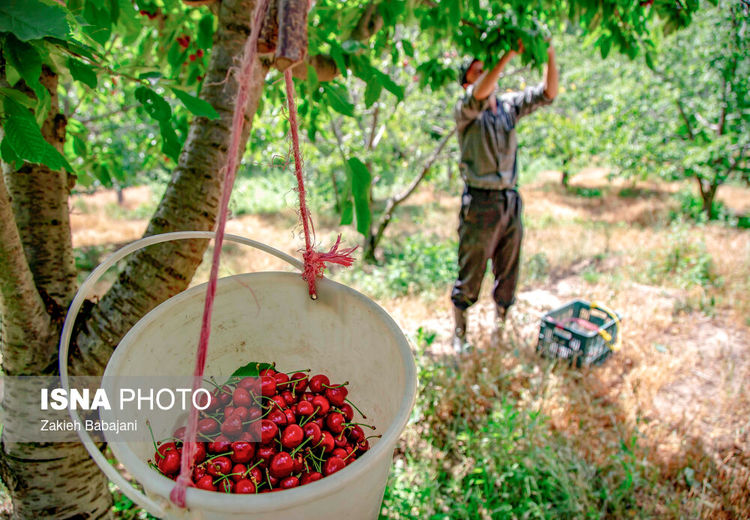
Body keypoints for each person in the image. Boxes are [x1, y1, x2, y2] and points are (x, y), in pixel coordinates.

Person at [451, 41, 558, 351]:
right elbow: (479, 94)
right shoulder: (466, 109)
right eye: (479, 72)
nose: (489, 76)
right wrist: (507, 54)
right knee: (470, 271)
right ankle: (460, 335)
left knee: (509, 268)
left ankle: (500, 329)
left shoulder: (508, 106)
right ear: (468, 81)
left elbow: (548, 93)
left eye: (489, 70)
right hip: (480, 201)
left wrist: (548, 52)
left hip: (509, 199)